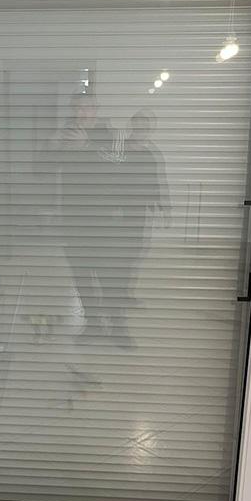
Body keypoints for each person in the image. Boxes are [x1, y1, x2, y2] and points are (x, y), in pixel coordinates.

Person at [55, 95, 168, 345]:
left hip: (106, 223)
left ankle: (118, 326)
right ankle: (93, 324)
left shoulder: (111, 137)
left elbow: (117, 169)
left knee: (112, 275)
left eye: (87, 108)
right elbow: (41, 170)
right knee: (82, 275)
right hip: (73, 221)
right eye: (77, 108)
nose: (82, 113)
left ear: (96, 110)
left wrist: (86, 146)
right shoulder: (64, 138)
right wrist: (55, 146)